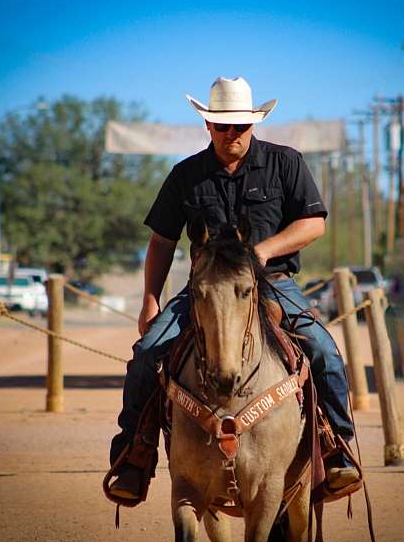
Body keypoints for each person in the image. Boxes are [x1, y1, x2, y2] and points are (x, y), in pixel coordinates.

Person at [110, 76, 358, 499]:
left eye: (239, 126)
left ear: (253, 124)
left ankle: (337, 447)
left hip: (271, 283)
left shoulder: (286, 163)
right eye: (222, 126)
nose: (232, 134)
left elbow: (313, 222)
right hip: (205, 290)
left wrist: (263, 252)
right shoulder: (185, 175)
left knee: (323, 350)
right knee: (148, 352)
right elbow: (162, 241)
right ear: (207, 125)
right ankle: (135, 454)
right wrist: (150, 301)